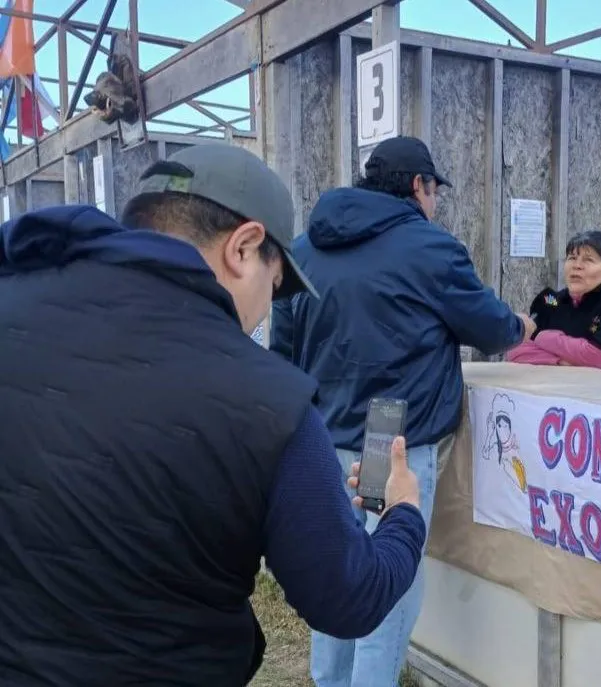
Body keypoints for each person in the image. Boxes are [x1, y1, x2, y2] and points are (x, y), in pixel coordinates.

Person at [0, 143, 427, 686]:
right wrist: (402, 515)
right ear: (245, 247)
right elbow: (348, 598)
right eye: (273, 287)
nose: (263, 311)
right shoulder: (268, 401)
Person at [269, 135, 534, 687]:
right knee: (389, 590)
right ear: (418, 186)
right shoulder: (429, 247)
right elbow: (487, 327)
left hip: (321, 436)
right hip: (391, 445)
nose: (436, 202)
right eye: (435, 190)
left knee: (336, 575)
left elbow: (283, 351)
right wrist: (521, 327)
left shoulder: (305, 247)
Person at [506, 229, 601, 373]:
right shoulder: (553, 300)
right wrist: (563, 362)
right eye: (572, 258)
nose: (577, 266)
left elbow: (598, 358)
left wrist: (543, 337)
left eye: (588, 260)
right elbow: (516, 351)